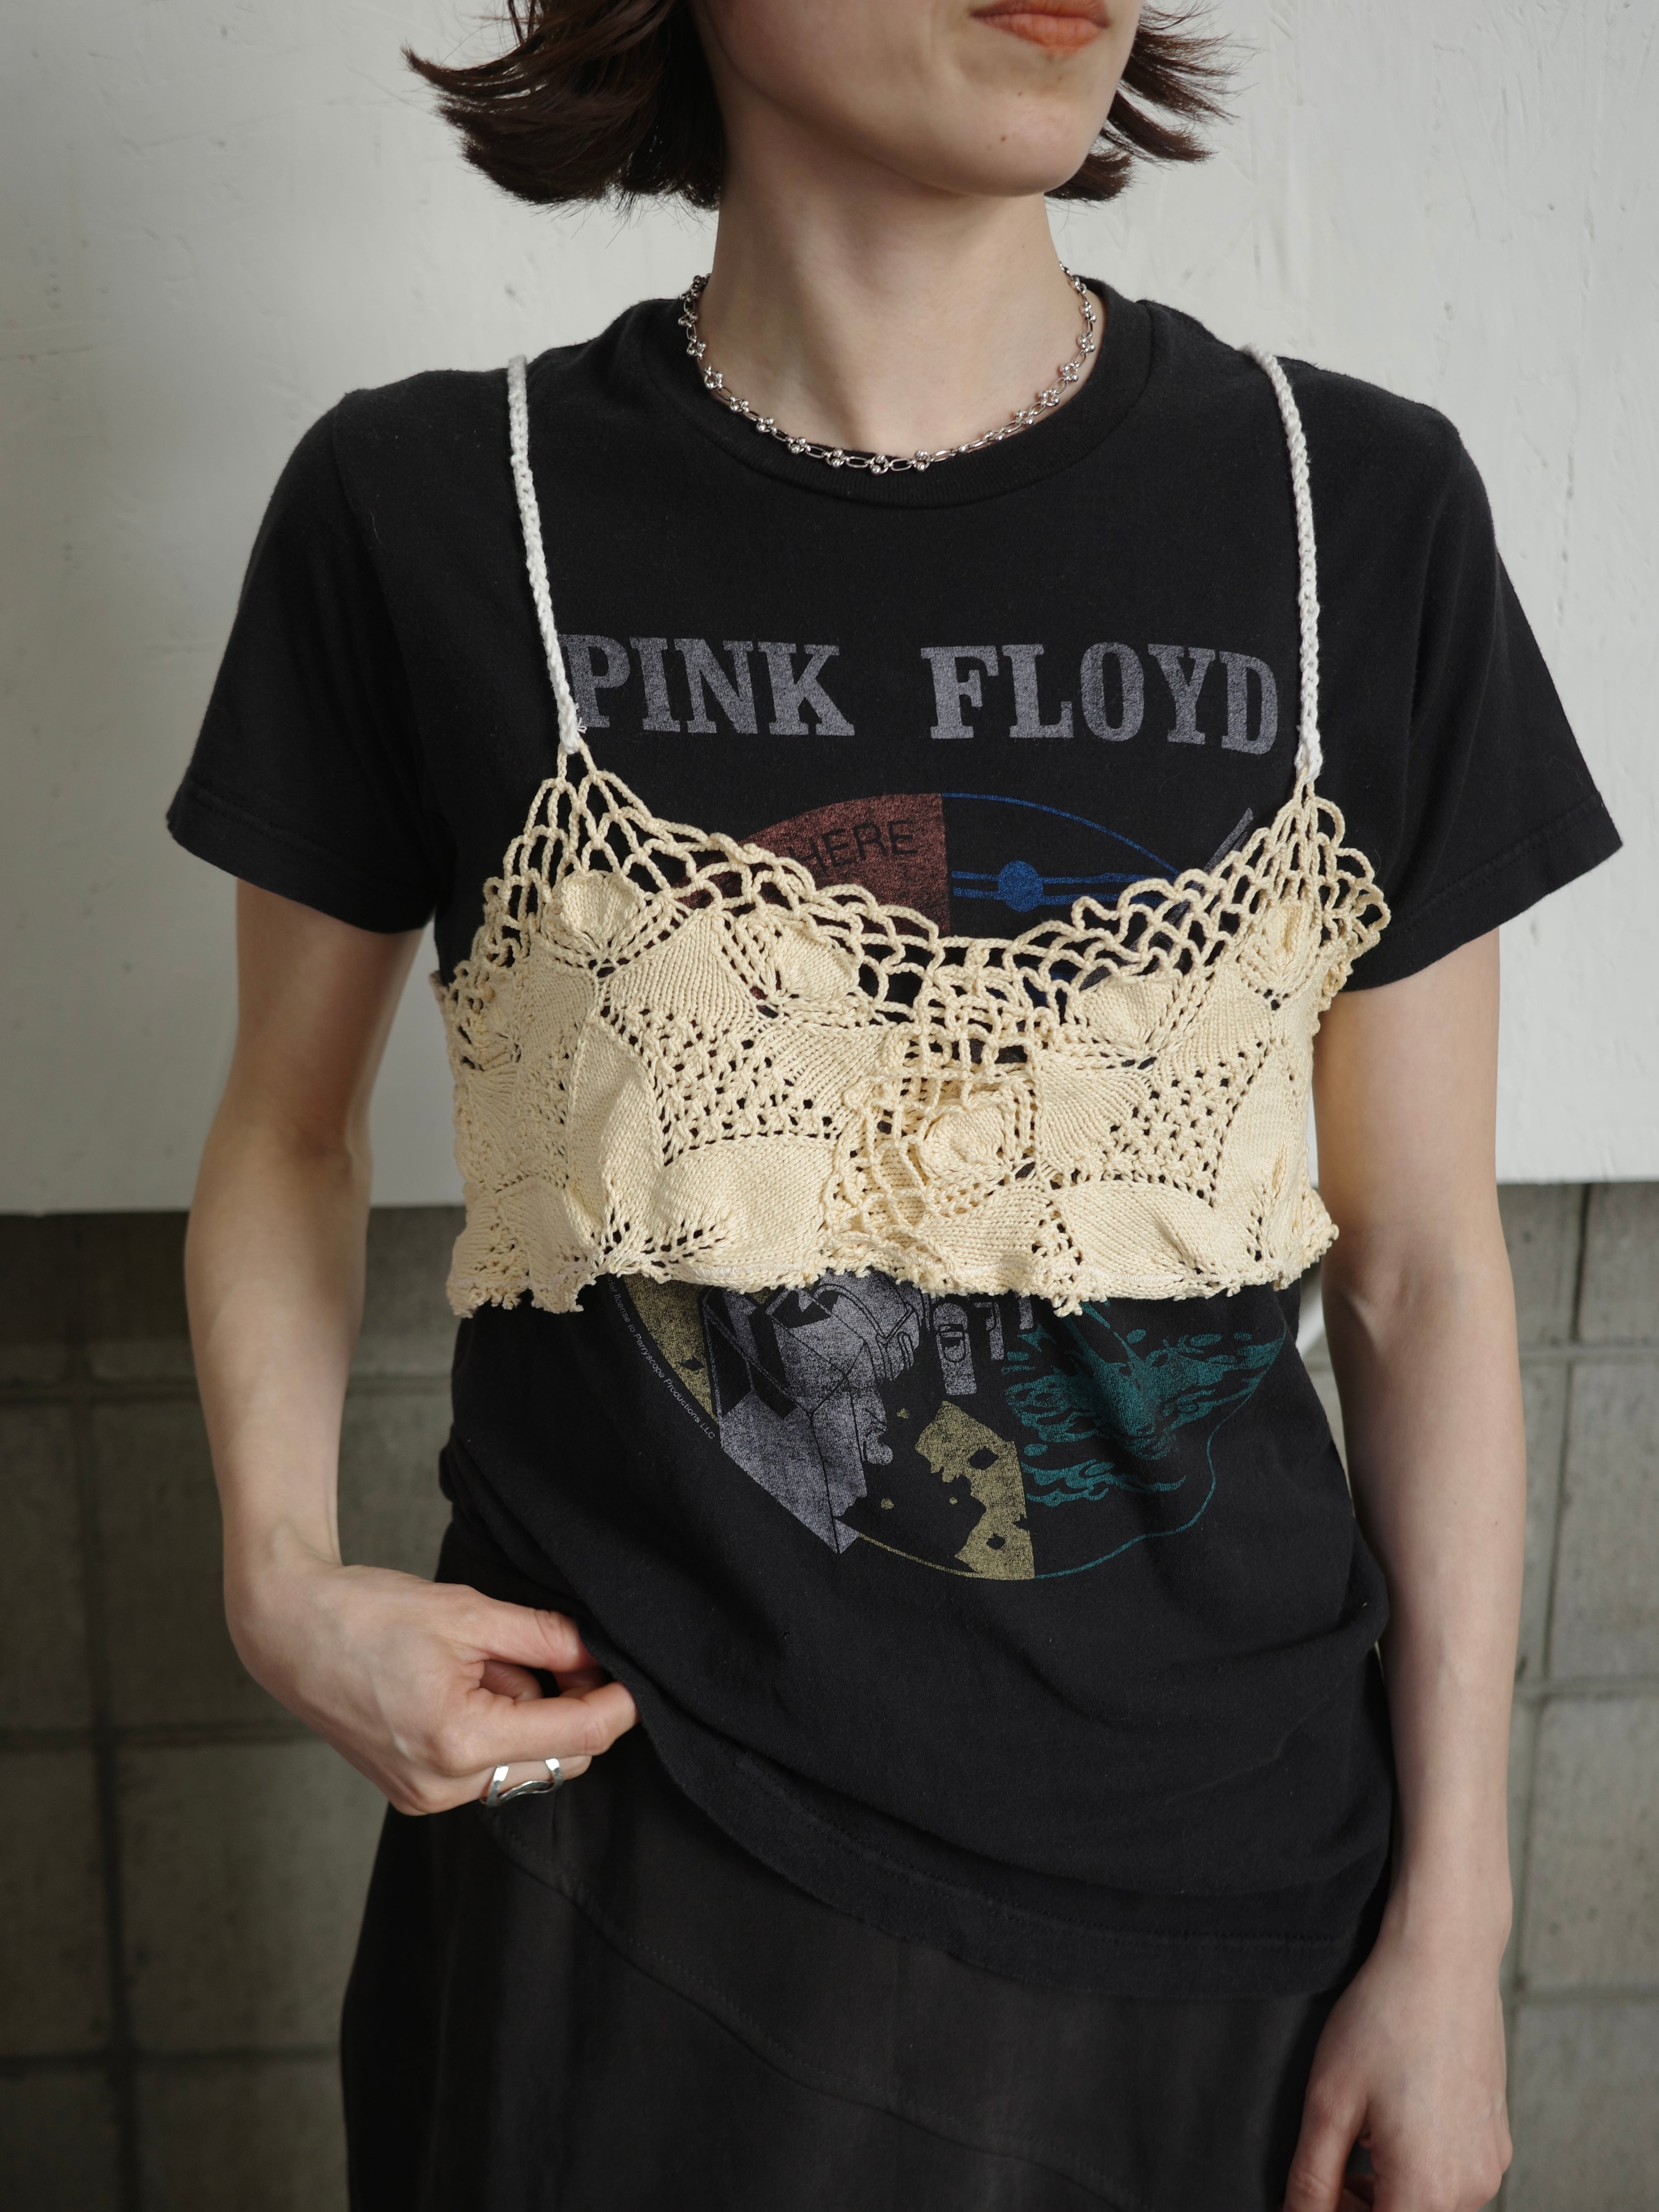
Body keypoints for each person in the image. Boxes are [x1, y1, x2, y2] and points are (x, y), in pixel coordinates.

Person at [170, 3, 1620, 2207]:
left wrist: (1458, 1935)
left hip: (1237, 1909)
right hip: (641, 1890)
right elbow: (287, 1127)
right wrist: (277, 1577)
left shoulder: (1356, 508)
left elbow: (1421, 1267)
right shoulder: (442, 506)